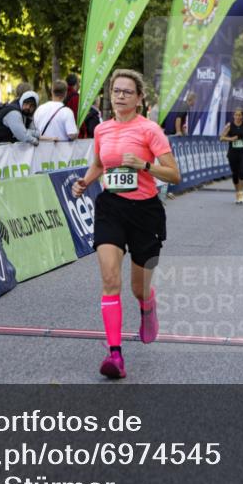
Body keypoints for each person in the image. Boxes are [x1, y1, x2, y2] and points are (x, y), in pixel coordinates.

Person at [71, 69, 181, 379]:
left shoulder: (150, 130)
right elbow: (98, 164)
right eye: (116, 91)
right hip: (111, 208)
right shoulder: (102, 130)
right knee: (109, 278)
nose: (120, 96)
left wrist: (144, 165)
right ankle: (115, 355)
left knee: (138, 287)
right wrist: (84, 182)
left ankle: (148, 306)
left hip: (145, 212)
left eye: (127, 92)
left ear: (139, 98)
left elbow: (174, 174)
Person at [219, 107, 243, 204]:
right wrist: (231, 139)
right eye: (236, 115)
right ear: (233, 116)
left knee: (241, 171)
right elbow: (221, 138)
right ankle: (237, 192)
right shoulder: (229, 125)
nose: (238, 117)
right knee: (235, 174)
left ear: (242, 116)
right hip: (233, 152)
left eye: (239, 115)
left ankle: (241, 193)